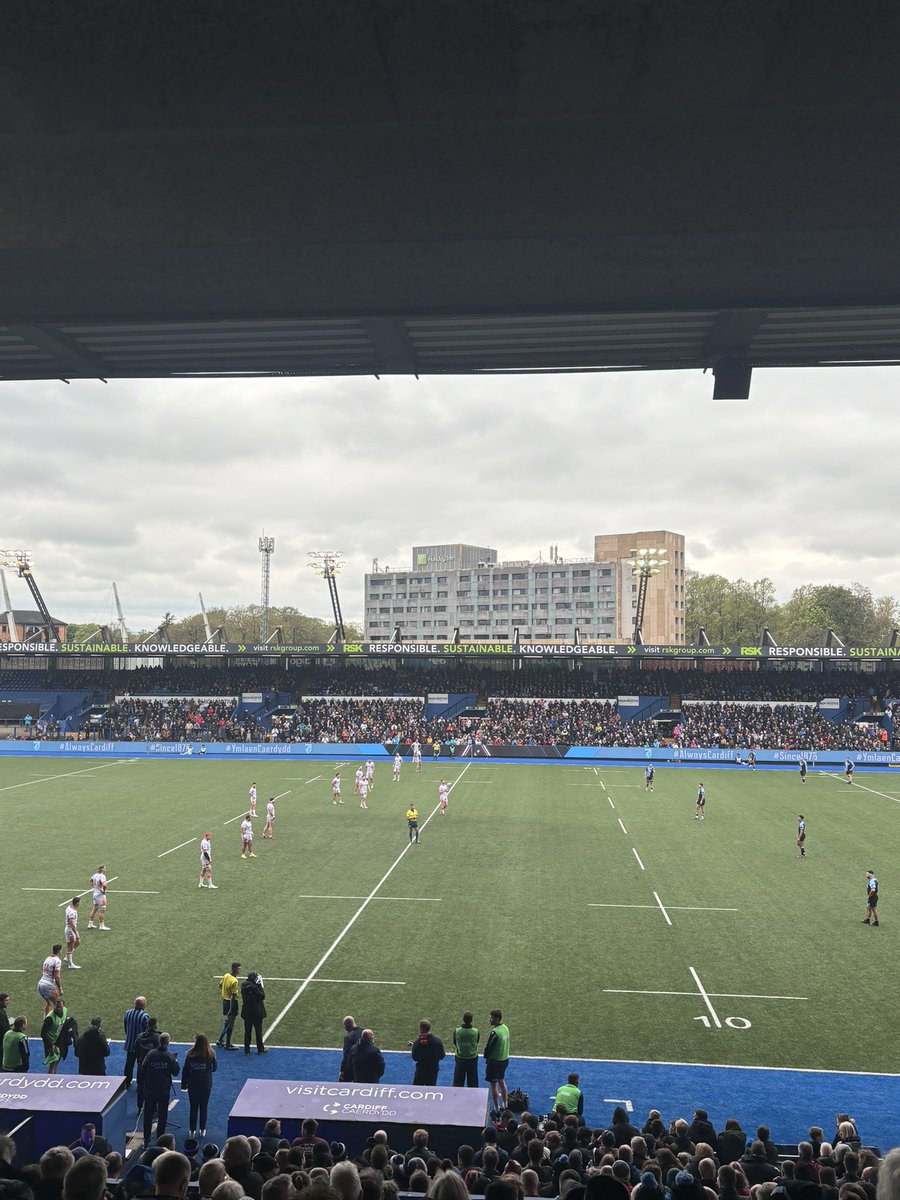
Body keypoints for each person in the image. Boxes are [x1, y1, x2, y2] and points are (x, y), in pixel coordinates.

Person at [142, 1032, 180, 1145]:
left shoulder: (150, 1054)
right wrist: (175, 1061)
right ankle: (160, 1139)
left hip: (150, 1089)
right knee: (163, 1115)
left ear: (159, 1042)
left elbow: (143, 1069)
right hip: (163, 1090)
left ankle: (146, 1139)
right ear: (167, 1043)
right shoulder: (169, 1056)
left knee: (148, 1115)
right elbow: (176, 1072)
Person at [182, 1033, 217, 1138]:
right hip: (206, 1085)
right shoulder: (211, 1054)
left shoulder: (190, 1054)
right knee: (204, 1107)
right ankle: (202, 1129)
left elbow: (185, 1070)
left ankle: (192, 1130)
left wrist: (184, 1084)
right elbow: (215, 1068)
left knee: (193, 1108)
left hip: (193, 1085)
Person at [484, 1009, 510, 1116]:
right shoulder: (505, 1028)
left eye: (492, 1017)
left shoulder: (495, 1032)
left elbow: (489, 1047)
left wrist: (486, 1057)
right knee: (502, 1082)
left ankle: (496, 1108)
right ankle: (505, 1104)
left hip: (495, 1062)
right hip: (504, 1060)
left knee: (493, 1085)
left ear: (497, 1019)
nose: (490, 1019)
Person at [134, 1016, 161, 1111]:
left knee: (141, 1087)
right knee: (154, 1088)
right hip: (154, 1067)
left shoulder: (140, 1037)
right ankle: (154, 1108)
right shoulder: (158, 1037)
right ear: (155, 1025)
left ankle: (139, 1106)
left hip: (141, 1065)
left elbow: (136, 1050)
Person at [409, 1019, 445, 1085]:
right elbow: (442, 1056)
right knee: (431, 1092)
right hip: (432, 1072)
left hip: (421, 1072)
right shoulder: (438, 1041)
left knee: (417, 1092)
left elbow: (414, 1057)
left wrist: (414, 1045)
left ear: (421, 1029)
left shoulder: (417, 1042)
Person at [123, 997, 149, 1088]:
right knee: (140, 1064)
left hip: (130, 1044)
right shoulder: (144, 1016)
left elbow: (126, 1028)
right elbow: (147, 1032)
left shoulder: (128, 1013)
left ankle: (127, 1082)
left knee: (129, 1063)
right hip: (140, 1046)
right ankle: (140, 1083)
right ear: (143, 1005)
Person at [241, 971, 268, 1055]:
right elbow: (262, 996)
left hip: (247, 1012)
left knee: (247, 1032)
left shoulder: (243, 986)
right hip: (256, 1013)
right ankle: (260, 1049)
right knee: (258, 1031)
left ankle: (247, 1050)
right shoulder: (255, 988)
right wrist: (259, 985)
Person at [217, 963, 241, 1050]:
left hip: (225, 1001)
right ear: (234, 969)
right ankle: (228, 1044)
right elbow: (233, 996)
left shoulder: (226, 975)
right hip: (232, 1003)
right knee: (231, 1024)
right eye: (238, 969)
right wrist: (231, 1009)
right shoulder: (234, 981)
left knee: (227, 1022)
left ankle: (220, 1040)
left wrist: (225, 992)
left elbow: (220, 986)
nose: (239, 970)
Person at [41, 998, 68, 1074]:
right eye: (57, 1006)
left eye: (60, 1006)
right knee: (52, 1064)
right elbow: (43, 1033)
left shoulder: (65, 1011)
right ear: (54, 1006)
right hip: (51, 1042)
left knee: (57, 1061)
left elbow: (63, 1022)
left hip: (59, 1040)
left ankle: (54, 1076)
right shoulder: (50, 1018)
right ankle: (50, 1080)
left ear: (63, 1006)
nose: (59, 1008)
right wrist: (50, 1044)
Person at [453, 1012, 479, 1087]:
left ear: (463, 1019)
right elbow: (476, 1041)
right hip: (472, 1059)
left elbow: (455, 1042)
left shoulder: (457, 1031)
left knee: (458, 1082)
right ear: (471, 1020)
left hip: (460, 1059)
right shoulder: (476, 1031)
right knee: (473, 1083)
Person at [38, 945, 64, 1014]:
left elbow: (43, 972)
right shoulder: (57, 961)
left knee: (49, 1004)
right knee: (58, 1005)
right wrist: (60, 988)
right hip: (48, 985)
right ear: (59, 951)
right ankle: (56, 1023)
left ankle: (46, 1021)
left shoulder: (47, 958)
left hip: (40, 985)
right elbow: (57, 977)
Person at [87, 865, 110, 931]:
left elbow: (90, 881)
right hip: (100, 895)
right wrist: (103, 891)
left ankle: (90, 924)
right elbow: (104, 885)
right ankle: (101, 925)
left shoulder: (95, 875)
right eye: (105, 869)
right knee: (102, 910)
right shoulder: (102, 876)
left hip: (95, 893)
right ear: (102, 870)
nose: (105, 870)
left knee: (95, 909)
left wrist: (94, 887)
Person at [339, 1016, 362, 1082]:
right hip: (363, 1065)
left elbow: (346, 1055)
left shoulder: (348, 1037)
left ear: (346, 1026)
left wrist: (342, 1070)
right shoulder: (363, 1032)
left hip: (352, 1066)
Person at [64, 896, 82, 968]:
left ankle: (67, 957)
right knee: (70, 947)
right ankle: (70, 964)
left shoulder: (69, 908)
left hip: (69, 929)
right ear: (77, 903)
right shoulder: (72, 912)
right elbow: (71, 923)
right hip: (70, 930)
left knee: (77, 942)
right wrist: (76, 933)